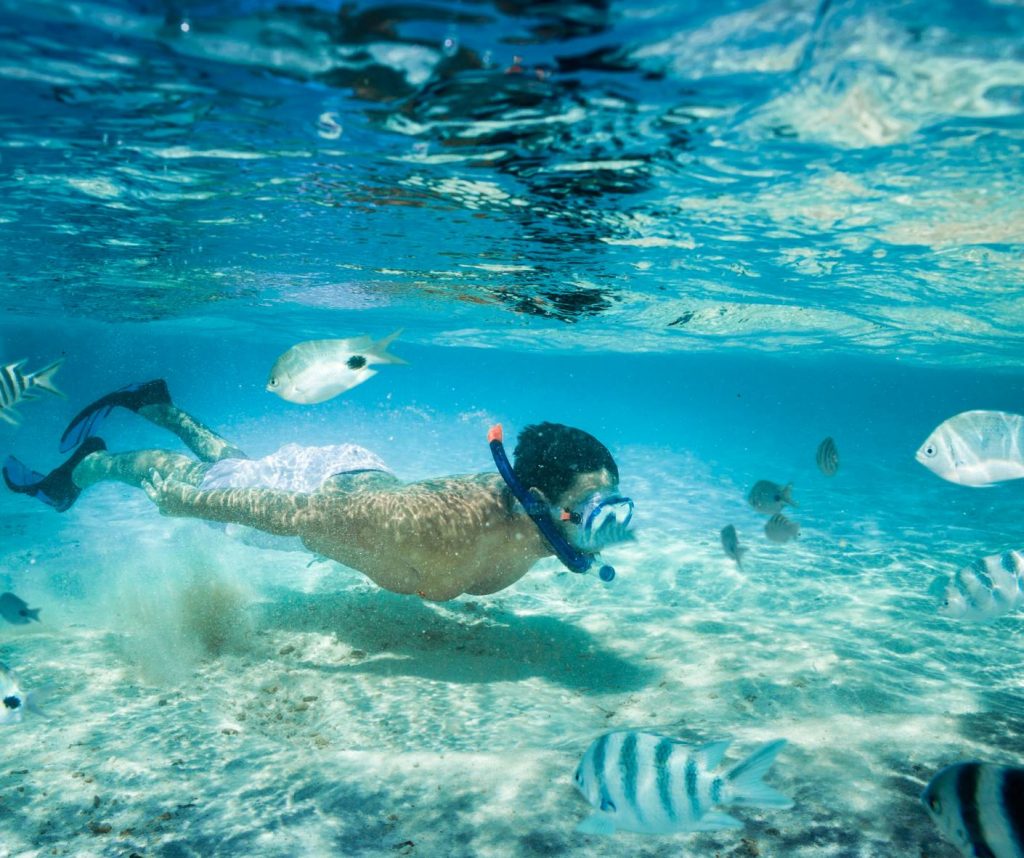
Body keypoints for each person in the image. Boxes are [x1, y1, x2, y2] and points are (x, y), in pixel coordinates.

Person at [3, 381, 634, 601]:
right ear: (531, 498)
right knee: (193, 486)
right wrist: (187, 504)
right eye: (594, 509)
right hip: (322, 498)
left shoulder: (541, 527)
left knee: (241, 470)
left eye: (614, 509)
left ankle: (161, 407)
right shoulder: (426, 526)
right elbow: (295, 510)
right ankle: (85, 469)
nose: (608, 528)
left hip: (352, 492)